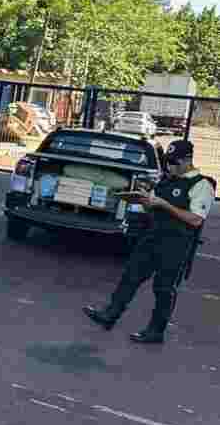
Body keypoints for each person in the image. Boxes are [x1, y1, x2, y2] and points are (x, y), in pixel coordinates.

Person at [84, 139, 215, 344]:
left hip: (176, 244)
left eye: (174, 162)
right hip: (153, 236)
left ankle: (156, 331)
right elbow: (152, 208)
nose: (169, 166)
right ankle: (110, 314)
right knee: (131, 276)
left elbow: (195, 219)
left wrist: (164, 204)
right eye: (168, 161)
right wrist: (144, 201)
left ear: (187, 160)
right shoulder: (166, 180)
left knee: (164, 288)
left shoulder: (201, 185)